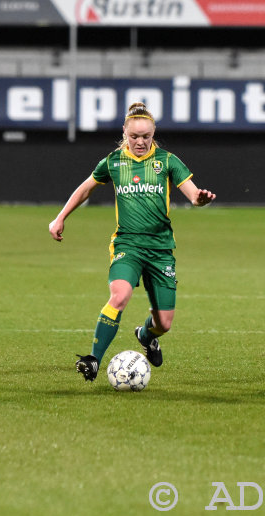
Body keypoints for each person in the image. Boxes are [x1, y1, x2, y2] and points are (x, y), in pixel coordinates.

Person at [48, 102, 216, 382]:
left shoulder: (167, 160)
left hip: (161, 250)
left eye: (146, 136)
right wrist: (60, 216)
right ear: (124, 133)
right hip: (127, 245)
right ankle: (93, 360)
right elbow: (86, 188)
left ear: (153, 134)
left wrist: (199, 199)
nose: (140, 142)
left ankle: (145, 335)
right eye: (134, 136)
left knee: (164, 323)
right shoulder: (114, 161)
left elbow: (192, 193)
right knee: (120, 296)